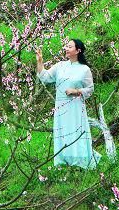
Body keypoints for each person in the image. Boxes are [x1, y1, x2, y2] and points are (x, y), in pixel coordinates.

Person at [36, 38, 102, 170]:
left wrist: (76, 91)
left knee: (76, 130)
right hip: (61, 105)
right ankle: (63, 159)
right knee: (63, 131)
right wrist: (40, 61)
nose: (66, 48)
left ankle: (80, 159)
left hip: (76, 105)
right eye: (66, 46)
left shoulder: (84, 69)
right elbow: (45, 77)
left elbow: (90, 89)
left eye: (70, 47)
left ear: (78, 50)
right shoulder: (60, 66)